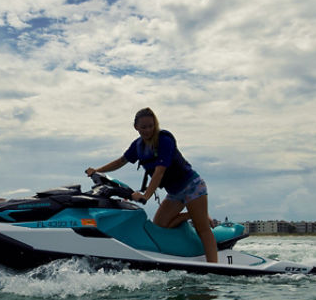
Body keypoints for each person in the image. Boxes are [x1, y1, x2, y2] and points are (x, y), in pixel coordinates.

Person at [84, 107, 218, 264]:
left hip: (192, 186)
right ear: (136, 127)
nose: (148, 130)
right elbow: (121, 161)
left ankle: (214, 265)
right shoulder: (138, 145)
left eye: (151, 126)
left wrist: (146, 195)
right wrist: (97, 171)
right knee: (160, 225)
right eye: (143, 127)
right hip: (175, 192)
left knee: (202, 229)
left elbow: (159, 172)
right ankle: (195, 215)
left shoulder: (164, 140)